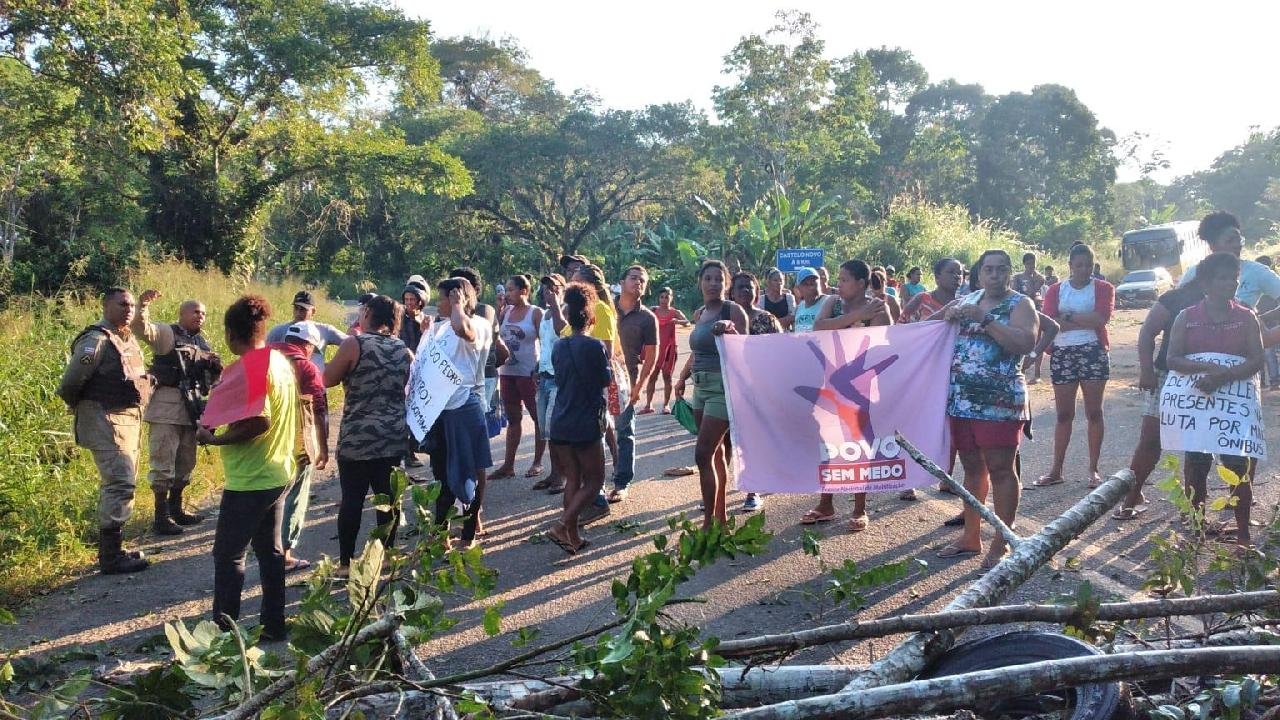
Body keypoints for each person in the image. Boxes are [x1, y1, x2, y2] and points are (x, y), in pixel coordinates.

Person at [195, 295, 297, 641]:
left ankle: (223, 636)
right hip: (277, 471)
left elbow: (259, 421)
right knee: (269, 553)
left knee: (228, 556)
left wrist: (215, 441)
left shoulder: (255, 366)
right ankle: (274, 625)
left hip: (251, 479)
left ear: (229, 334)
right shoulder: (278, 361)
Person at [938, 249, 1038, 568]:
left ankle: (1002, 542)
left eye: (1001, 269)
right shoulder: (968, 300)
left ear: (1010, 273)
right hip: (962, 401)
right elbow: (929, 330)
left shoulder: (1021, 304)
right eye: (988, 269)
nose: (994, 275)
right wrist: (946, 316)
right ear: (979, 274)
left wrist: (986, 320)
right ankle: (971, 537)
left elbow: (1024, 343)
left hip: (1000, 402)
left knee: (1001, 470)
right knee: (972, 470)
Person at [1165, 251, 1263, 546]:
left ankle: (1244, 535)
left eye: (1234, 278)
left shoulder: (1247, 318)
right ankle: (1197, 530)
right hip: (1198, 406)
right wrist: (1205, 369)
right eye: (1223, 278)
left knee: (1238, 469)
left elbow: (1257, 360)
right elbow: (1172, 358)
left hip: (1233, 410)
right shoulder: (1187, 317)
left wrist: (1223, 376)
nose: (1230, 284)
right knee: (1196, 466)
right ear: (1206, 283)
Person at [57, 288, 153, 574]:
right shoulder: (96, 340)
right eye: (123, 304)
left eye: (133, 305)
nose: (129, 309)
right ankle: (110, 557)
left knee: (127, 481)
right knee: (120, 482)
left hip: (128, 419)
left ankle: (116, 548)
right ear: (106, 305)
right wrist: (87, 408)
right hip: (104, 418)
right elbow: (70, 383)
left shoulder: (127, 340)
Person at [323, 295, 412, 576]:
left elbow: (328, 379)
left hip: (357, 436)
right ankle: (386, 556)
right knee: (387, 498)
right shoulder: (403, 348)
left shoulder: (354, 344)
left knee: (352, 498)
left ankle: (346, 563)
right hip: (392, 435)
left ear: (369, 313)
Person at [805, 260, 892, 527]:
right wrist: (856, 315)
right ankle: (826, 503)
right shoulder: (833, 302)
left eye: (844, 280)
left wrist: (865, 314)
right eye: (839, 279)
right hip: (831, 383)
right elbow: (819, 327)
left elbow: (886, 340)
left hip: (862, 388)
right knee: (828, 445)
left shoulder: (878, 309)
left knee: (858, 445)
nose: (838, 284)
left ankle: (859, 509)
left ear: (862, 284)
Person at [1113, 273, 1205, 519]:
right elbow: (1147, 333)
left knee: (1197, 446)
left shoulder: (1228, 302)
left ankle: (1193, 511)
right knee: (1150, 440)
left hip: (1207, 381)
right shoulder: (1175, 298)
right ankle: (1130, 499)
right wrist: (1146, 371)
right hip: (1167, 376)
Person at [131, 290, 221, 535]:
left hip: (192, 409)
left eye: (203, 313)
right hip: (166, 407)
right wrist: (143, 305)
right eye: (195, 311)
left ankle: (176, 510)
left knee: (186, 462)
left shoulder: (202, 343)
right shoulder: (167, 334)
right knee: (162, 462)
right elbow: (142, 329)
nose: (200, 316)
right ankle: (160, 517)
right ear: (182, 314)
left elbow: (211, 380)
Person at [674, 260, 748, 527]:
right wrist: (682, 377)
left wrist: (730, 330)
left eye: (719, 279)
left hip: (722, 388)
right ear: (700, 281)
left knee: (702, 454)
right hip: (700, 387)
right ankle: (720, 517)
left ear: (726, 284)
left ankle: (708, 524)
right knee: (714, 455)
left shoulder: (733, 310)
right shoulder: (699, 313)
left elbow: (746, 350)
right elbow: (697, 351)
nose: (714, 283)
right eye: (708, 278)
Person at [1036, 243, 1115, 489]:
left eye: (1088, 265)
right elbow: (1049, 322)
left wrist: (1067, 317)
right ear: (1070, 266)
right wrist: (1082, 320)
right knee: (1063, 414)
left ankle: (1093, 469)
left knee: (1094, 412)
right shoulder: (1056, 290)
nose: (1083, 270)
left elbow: (1101, 319)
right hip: (1063, 353)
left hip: (1093, 351)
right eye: (1079, 265)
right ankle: (1056, 469)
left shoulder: (1103, 288)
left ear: (1093, 266)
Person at [545, 283, 613, 554]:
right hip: (585, 421)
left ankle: (572, 536)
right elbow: (605, 380)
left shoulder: (559, 346)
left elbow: (559, 378)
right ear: (592, 318)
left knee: (573, 479)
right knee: (594, 481)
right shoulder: (595, 346)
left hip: (560, 419)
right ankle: (563, 524)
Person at [427, 277, 494, 549]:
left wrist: (457, 305)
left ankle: (468, 536)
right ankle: (441, 534)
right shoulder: (444, 326)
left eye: (443, 298)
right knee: (442, 474)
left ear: (458, 298)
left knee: (469, 472)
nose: (438, 303)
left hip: (466, 406)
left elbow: (464, 330)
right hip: (443, 409)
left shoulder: (476, 324)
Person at [268, 321, 330, 573]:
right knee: (294, 494)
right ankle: (284, 554)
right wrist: (323, 447)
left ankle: (266, 547)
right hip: (296, 440)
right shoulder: (306, 367)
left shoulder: (263, 357)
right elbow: (320, 410)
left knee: (269, 491)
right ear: (308, 345)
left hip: (264, 439)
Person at [568, 263, 621, 524]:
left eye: (575, 280)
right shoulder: (577, 311)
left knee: (594, 439)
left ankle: (596, 499)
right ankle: (589, 498)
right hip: (576, 387)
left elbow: (605, 353)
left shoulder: (600, 309)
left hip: (590, 388)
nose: (570, 282)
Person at [732, 271, 782, 512]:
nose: (745, 291)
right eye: (740, 287)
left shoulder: (768, 319)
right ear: (731, 293)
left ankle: (752, 490)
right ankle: (718, 490)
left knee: (752, 439)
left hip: (759, 388)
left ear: (757, 293)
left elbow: (782, 350)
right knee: (728, 442)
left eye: (749, 288)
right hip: (729, 387)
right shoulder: (721, 319)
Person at [610, 265, 659, 503]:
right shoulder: (605, 308)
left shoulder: (648, 318)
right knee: (597, 432)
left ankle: (622, 482)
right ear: (621, 281)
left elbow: (651, 357)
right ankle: (592, 482)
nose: (638, 282)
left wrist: (639, 387)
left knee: (624, 432)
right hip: (598, 379)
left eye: (642, 280)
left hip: (626, 383)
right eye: (633, 278)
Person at [491, 275, 546, 480]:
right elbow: (495, 336)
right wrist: (498, 311)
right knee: (513, 418)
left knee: (537, 418)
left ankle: (538, 462)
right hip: (507, 373)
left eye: (511, 289)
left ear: (524, 291)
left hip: (528, 373)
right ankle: (508, 465)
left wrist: (540, 368)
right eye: (506, 289)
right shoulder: (505, 311)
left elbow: (545, 341)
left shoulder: (535, 313)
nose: (507, 293)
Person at [450, 268, 505, 413]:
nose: (452, 294)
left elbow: (472, 337)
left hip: (482, 378)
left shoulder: (483, 311)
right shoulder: (452, 313)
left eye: (456, 288)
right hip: (459, 381)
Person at [533, 274, 568, 492]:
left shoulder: (564, 311)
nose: (548, 291)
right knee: (546, 429)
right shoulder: (545, 313)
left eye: (553, 287)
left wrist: (556, 303)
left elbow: (561, 332)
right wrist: (537, 366)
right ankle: (554, 473)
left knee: (557, 429)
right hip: (545, 375)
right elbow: (544, 345)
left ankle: (562, 476)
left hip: (559, 378)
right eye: (545, 287)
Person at [266, 290, 347, 370]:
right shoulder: (278, 331)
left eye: (303, 309)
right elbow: (264, 357)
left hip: (315, 381)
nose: (298, 313)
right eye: (296, 308)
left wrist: (332, 366)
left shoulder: (324, 330)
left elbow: (352, 342)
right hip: (288, 380)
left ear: (313, 311)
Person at [643, 287, 689, 414]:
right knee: (652, 376)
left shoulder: (674, 312)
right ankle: (648, 405)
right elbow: (642, 316)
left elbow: (688, 322)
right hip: (655, 348)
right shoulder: (654, 310)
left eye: (666, 297)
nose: (664, 300)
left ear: (671, 298)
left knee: (667, 377)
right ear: (658, 298)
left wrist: (678, 321)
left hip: (669, 349)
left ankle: (666, 405)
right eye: (661, 297)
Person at [400, 282, 430, 468]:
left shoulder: (426, 319)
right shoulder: (399, 318)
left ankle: (414, 447)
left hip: (420, 370)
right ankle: (406, 453)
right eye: (406, 299)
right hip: (403, 369)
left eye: (413, 300)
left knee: (417, 410)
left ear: (421, 302)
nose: (409, 303)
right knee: (403, 411)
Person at [902, 258, 963, 324]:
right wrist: (943, 313)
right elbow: (901, 329)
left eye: (959, 273)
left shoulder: (964, 303)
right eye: (951, 272)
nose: (957, 276)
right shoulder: (922, 299)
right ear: (937, 277)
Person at [792, 267, 827, 333]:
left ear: (819, 283)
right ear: (799, 288)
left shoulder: (828, 301)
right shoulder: (799, 308)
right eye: (806, 284)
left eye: (813, 283)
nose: (811, 287)